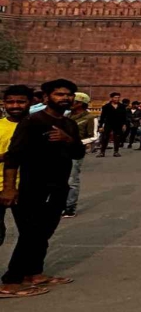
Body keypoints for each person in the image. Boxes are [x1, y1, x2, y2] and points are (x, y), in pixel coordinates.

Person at [0, 79, 88, 297]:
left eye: (68, 95)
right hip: (33, 185)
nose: (64, 98)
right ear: (47, 97)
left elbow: (78, 153)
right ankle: (11, 281)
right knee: (31, 233)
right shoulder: (32, 122)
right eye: (59, 94)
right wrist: (9, 187)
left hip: (58, 186)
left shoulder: (69, 124)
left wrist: (68, 139)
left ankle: (33, 273)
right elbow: (13, 157)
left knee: (45, 232)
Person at [0, 85, 33, 252]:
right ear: (4, 103)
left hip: (28, 188)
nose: (15, 106)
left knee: (31, 234)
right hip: (0, 186)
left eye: (20, 102)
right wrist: (11, 155)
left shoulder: (39, 126)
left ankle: (25, 267)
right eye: (10, 102)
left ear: (30, 102)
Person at [94, 92, 129, 158]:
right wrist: (100, 126)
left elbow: (124, 116)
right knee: (105, 137)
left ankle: (116, 152)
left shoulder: (122, 106)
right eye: (115, 97)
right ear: (111, 98)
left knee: (117, 138)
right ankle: (102, 152)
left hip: (118, 124)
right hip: (108, 123)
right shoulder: (106, 106)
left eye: (118, 97)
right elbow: (102, 117)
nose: (117, 99)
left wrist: (124, 124)